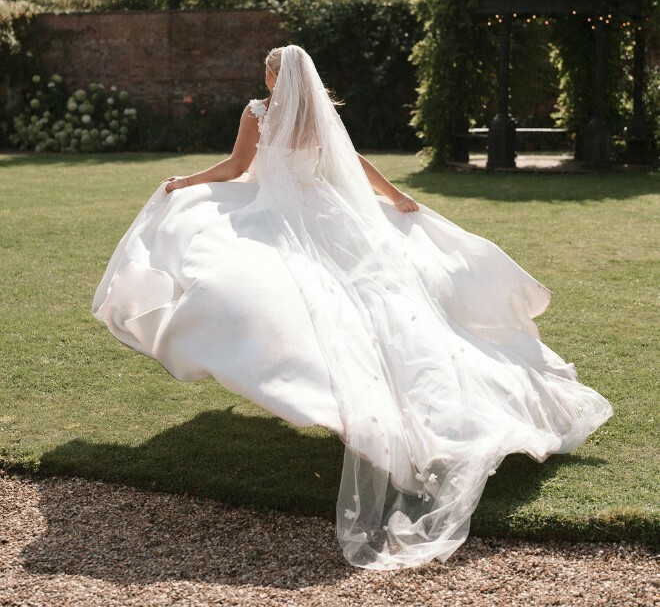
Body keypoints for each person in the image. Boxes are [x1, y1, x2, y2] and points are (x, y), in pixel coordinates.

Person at [93, 44, 612, 570]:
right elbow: (355, 164)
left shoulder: (259, 112)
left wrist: (186, 182)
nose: (266, 79)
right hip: (318, 213)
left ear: (277, 77)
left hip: (278, 213)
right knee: (344, 303)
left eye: (268, 72)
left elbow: (236, 167)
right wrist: (394, 194)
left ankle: (338, 392)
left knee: (294, 295)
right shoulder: (312, 115)